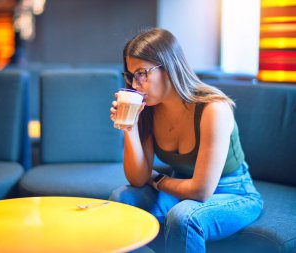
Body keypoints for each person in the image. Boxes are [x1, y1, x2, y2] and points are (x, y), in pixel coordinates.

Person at [109, 28, 263, 253]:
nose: (134, 84)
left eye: (142, 72)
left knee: (184, 217)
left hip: (234, 192)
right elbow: (138, 178)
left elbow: (201, 191)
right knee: (122, 198)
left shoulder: (213, 109)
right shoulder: (149, 108)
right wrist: (128, 127)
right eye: (131, 75)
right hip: (181, 186)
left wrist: (158, 180)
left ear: (169, 68)